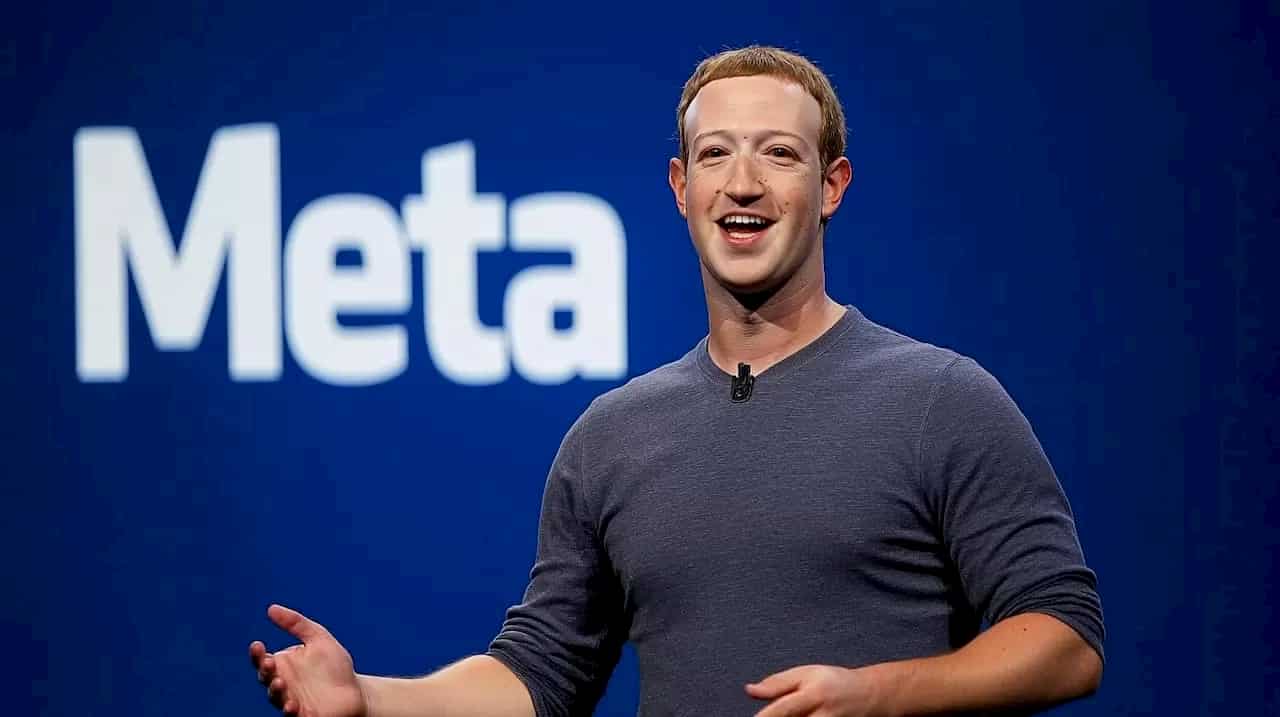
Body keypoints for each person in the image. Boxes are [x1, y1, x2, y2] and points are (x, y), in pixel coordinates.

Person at [249, 45, 1104, 717]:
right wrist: (371, 697)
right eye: (715, 154)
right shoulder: (611, 435)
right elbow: (541, 673)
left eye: (779, 154)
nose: (743, 183)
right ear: (681, 186)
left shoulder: (939, 399)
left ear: (832, 186)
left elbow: (1065, 637)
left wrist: (879, 692)